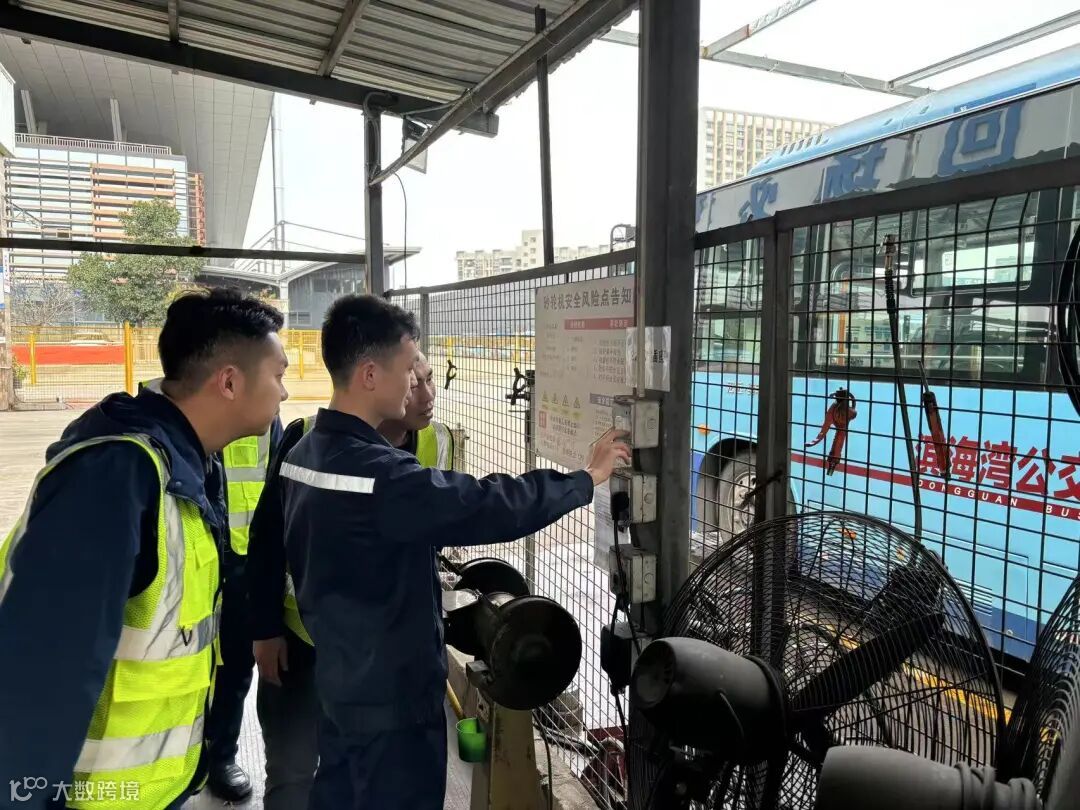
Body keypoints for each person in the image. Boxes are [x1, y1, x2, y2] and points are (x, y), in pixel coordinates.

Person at [279, 294, 630, 810]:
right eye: (408, 370)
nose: (415, 383)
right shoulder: (379, 476)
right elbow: (488, 504)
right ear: (370, 375)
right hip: (394, 702)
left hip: (339, 681)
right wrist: (586, 478)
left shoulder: (302, 453)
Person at [0, 288, 287, 810]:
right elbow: (40, 674)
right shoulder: (116, 475)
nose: (285, 393)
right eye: (278, 375)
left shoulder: (191, 464)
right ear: (229, 381)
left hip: (146, 790)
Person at [247, 352, 453, 810]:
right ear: (373, 381)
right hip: (303, 640)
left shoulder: (436, 442)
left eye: (430, 379)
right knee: (292, 769)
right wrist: (264, 628)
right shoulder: (306, 437)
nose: (426, 395)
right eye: (413, 382)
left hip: (378, 656)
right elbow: (267, 535)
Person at [134, 386, 282, 802]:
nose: (281, 387)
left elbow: (276, 494)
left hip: (241, 561)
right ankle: (163, 760)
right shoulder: (156, 407)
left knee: (234, 667)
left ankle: (220, 756)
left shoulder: (265, 410)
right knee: (172, 665)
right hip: (182, 563)